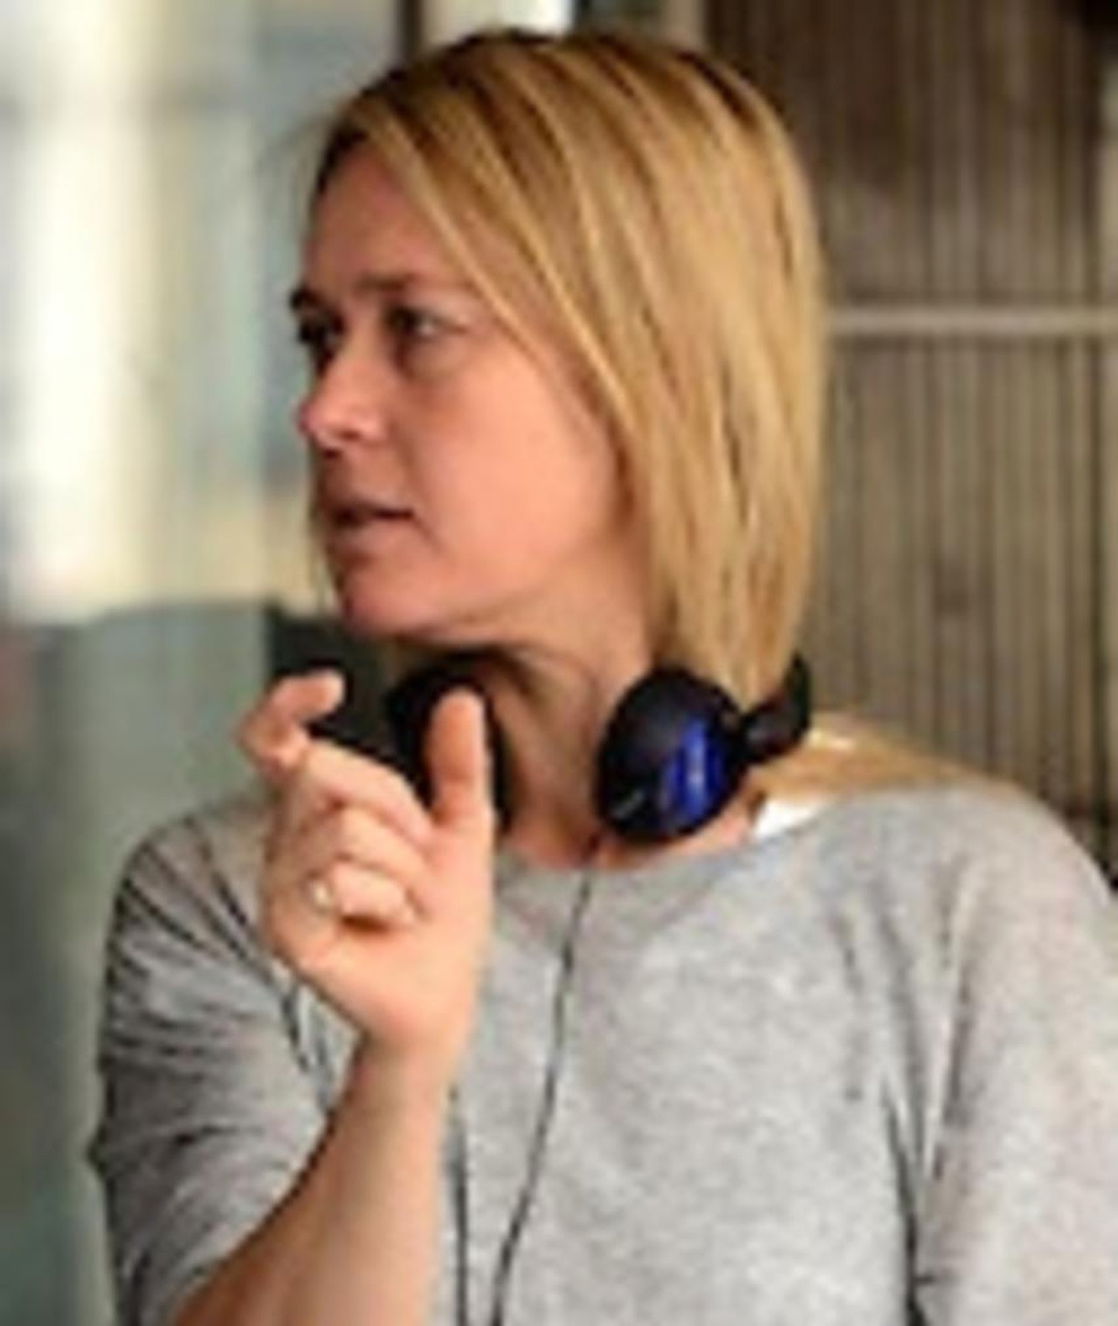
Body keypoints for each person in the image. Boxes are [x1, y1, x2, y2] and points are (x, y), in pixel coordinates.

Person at [90, 26, 1118, 1326]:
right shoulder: (229, 901)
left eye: (418, 328)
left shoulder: (972, 909)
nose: (326, 407)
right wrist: (398, 1076)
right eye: (319, 335)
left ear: (650, 367)